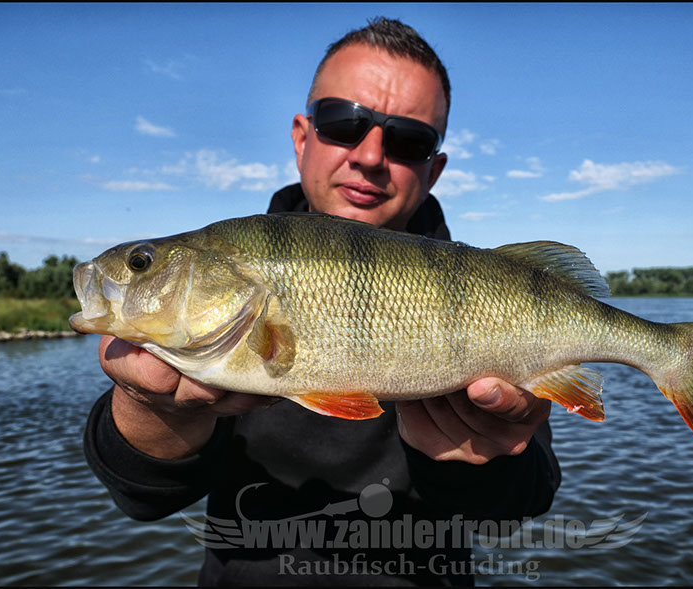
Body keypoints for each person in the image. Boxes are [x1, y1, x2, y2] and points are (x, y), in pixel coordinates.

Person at [85, 18, 560, 586]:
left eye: (410, 140)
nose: (371, 155)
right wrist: (152, 410)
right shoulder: (228, 276)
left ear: (434, 169)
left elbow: (521, 505)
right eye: (343, 122)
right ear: (301, 136)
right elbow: (142, 497)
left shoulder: (498, 292)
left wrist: (484, 462)